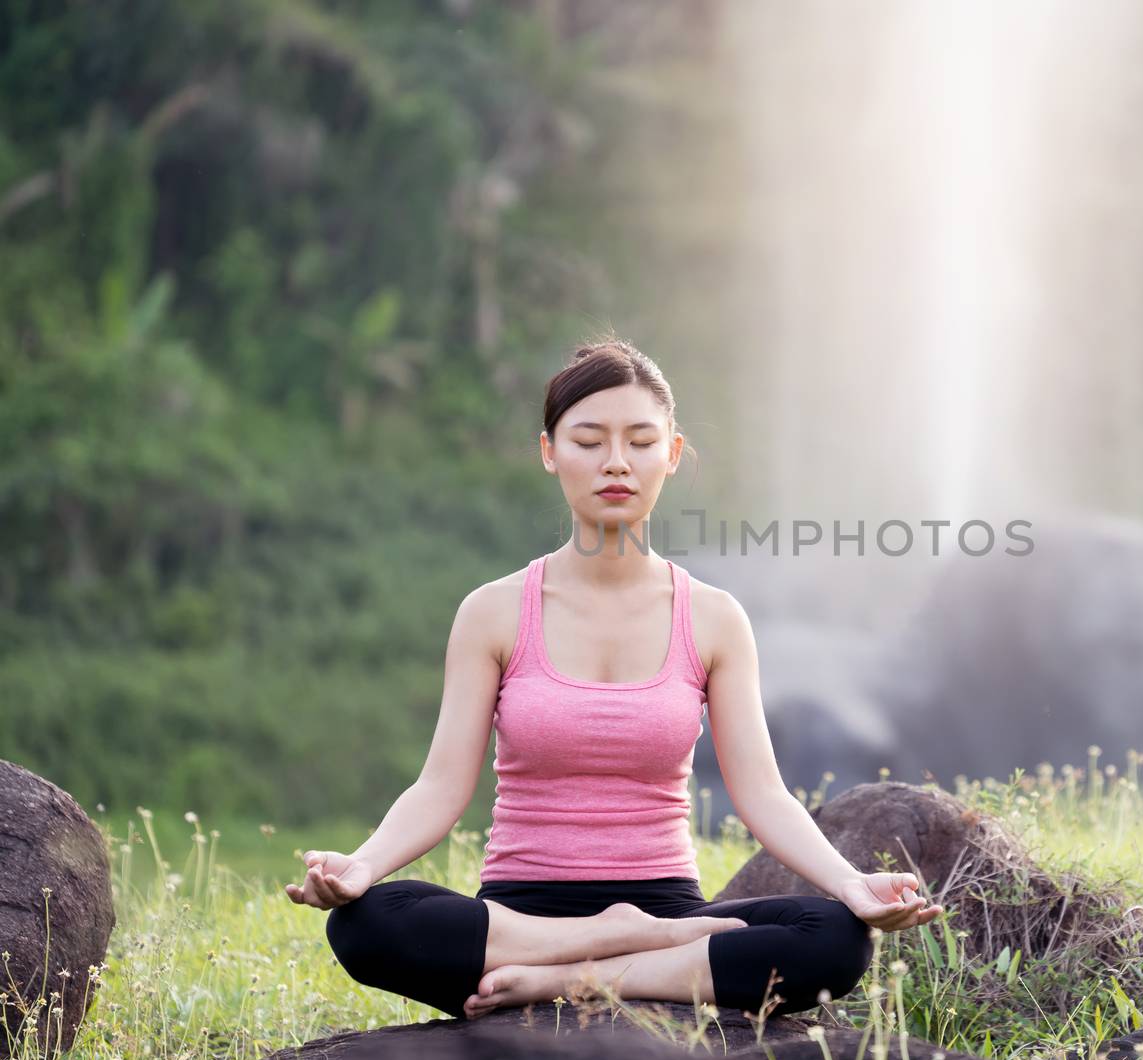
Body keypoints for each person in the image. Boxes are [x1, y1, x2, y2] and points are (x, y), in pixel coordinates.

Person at [284, 337, 943, 1021]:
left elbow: (764, 794)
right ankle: (619, 944)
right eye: (589, 440)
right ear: (549, 451)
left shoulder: (714, 618)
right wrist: (361, 866)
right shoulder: (494, 611)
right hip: (519, 913)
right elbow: (441, 786)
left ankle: (565, 979)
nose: (616, 463)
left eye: (640, 440)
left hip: (666, 907)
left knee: (837, 938)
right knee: (364, 922)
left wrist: (853, 883)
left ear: (673, 453)